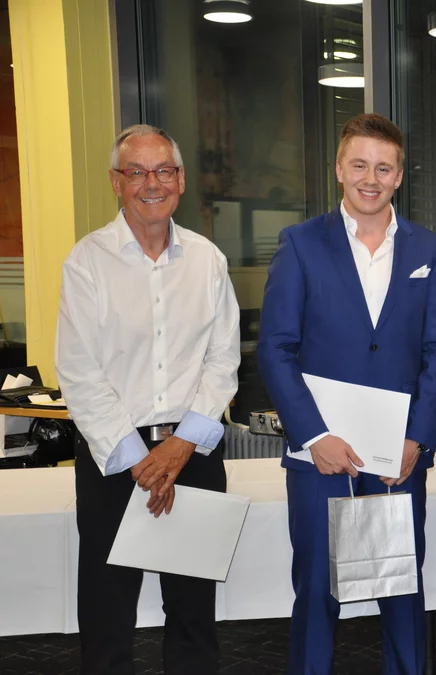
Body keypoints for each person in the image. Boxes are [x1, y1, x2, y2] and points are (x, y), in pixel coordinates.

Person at [257, 113, 436, 675]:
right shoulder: (300, 243)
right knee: (317, 591)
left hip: (400, 454)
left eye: (384, 168)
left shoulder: (428, 249)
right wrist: (313, 435)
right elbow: (275, 348)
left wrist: (419, 439)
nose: (372, 178)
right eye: (360, 165)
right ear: (340, 169)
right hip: (320, 452)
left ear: (399, 177)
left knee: (402, 589)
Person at [56, 124, 241, 675]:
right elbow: (79, 372)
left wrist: (181, 446)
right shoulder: (87, 262)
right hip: (114, 463)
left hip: (194, 455)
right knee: (108, 622)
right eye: (135, 172)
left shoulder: (208, 260)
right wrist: (140, 460)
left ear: (180, 180)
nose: (151, 183)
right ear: (116, 182)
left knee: (193, 619)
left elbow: (223, 361)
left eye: (163, 170)